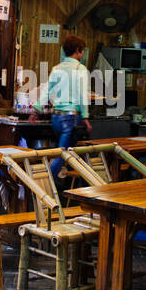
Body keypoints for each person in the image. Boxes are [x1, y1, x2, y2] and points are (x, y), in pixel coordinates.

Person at [46, 34, 91, 181]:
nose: (83, 54)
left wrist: (35, 110)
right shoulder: (81, 69)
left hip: (55, 118)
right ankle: (44, 185)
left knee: (71, 152)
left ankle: (76, 186)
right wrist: (85, 117)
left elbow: (47, 91)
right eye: (82, 50)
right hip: (70, 118)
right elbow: (83, 96)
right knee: (63, 153)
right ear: (78, 50)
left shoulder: (56, 68)